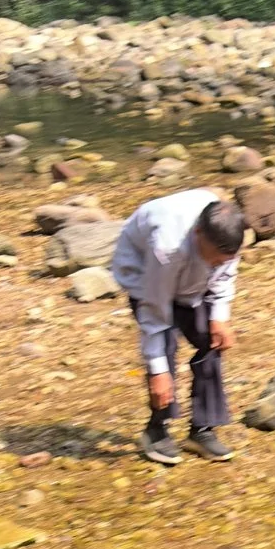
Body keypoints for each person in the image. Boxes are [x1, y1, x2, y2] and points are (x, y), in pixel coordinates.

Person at [110, 189, 247, 466]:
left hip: (189, 274)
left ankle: (202, 429)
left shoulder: (229, 234)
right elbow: (154, 314)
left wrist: (219, 316)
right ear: (197, 233)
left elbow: (225, 274)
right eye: (215, 258)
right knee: (165, 347)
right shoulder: (166, 247)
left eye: (224, 257)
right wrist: (157, 371)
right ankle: (156, 429)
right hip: (144, 274)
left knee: (212, 339)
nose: (220, 263)